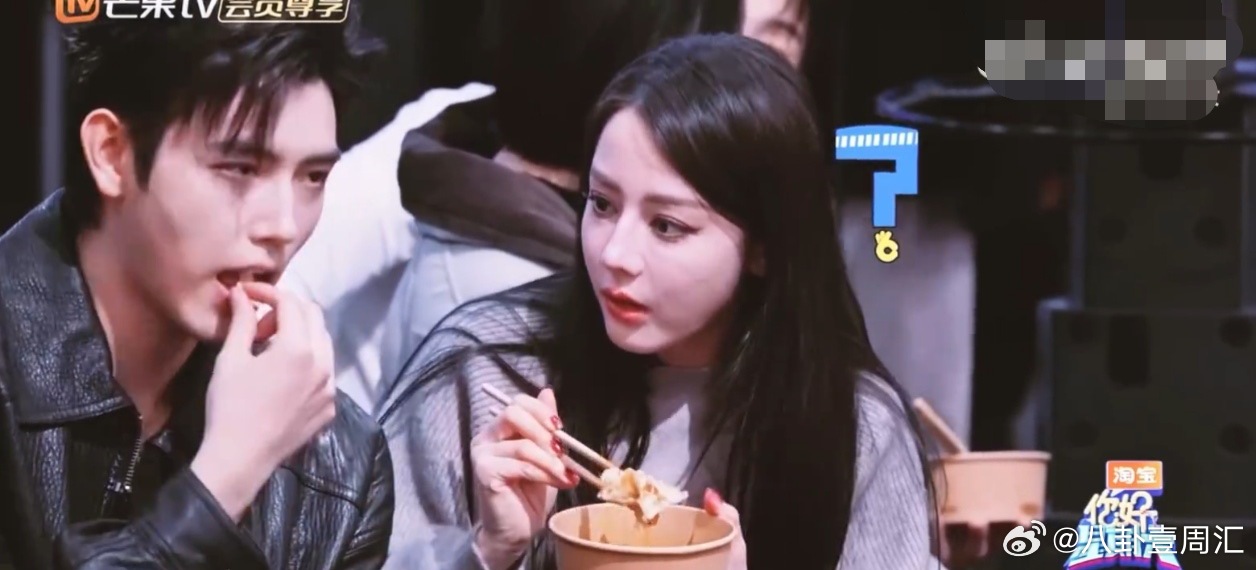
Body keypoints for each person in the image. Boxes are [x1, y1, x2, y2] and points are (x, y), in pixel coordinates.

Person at [378, 34, 940, 570]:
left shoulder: (851, 426)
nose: (615, 253)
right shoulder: (491, 374)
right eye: (601, 204)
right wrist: (486, 551)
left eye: (667, 225)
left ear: (764, 247)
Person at [0, 17, 393, 569]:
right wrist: (224, 480)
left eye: (312, 177)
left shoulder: (340, 469)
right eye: (239, 168)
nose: (282, 226)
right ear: (111, 153)